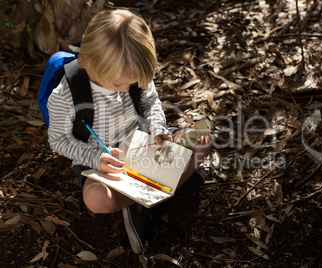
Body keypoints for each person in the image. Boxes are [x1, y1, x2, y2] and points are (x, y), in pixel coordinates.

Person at [47, 9, 211, 254]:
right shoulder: (66, 93)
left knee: (203, 141)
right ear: (90, 61)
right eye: (117, 84)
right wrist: (96, 159)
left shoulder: (131, 68)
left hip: (142, 143)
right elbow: (58, 140)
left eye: (131, 84)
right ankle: (158, 192)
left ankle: (147, 195)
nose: (125, 90)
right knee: (96, 200)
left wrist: (158, 130)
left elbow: (151, 102)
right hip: (102, 161)